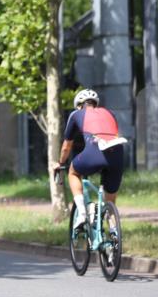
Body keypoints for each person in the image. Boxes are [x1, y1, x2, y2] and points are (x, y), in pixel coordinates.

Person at [53, 88, 127, 230]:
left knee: (73, 172)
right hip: (117, 152)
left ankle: (82, 213)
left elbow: (66, 147)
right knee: (110, 201)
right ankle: (113, 237)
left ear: (79, 105)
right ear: (95, 104)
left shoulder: (76, 114)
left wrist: (61, 163)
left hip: (95, 150)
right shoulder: (109, 113)